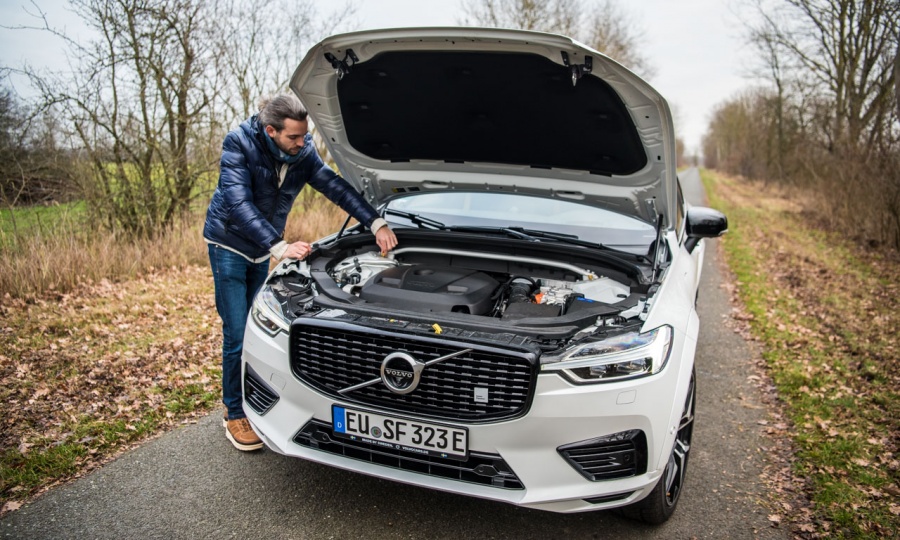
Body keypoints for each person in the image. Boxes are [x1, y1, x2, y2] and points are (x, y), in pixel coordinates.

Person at [203, 94, 398, 451]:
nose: (302, 142)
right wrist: (278, 246)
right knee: (236, 332)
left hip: (261, 249)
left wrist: (375, 222)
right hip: (228, 245)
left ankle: (256, 398)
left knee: (254, 328)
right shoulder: (239, 144)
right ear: (271, 131)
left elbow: (334, 187)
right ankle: (234, 413)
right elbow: (238, 203)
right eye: (294, 136)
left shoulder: (302, 152)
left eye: (305, 135)